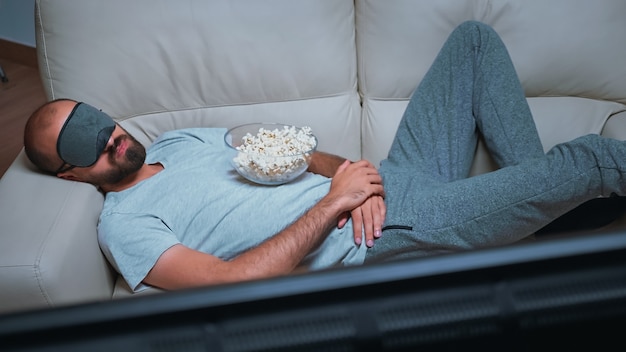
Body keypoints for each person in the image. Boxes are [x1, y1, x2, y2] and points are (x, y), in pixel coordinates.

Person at [23, 21, 626, 292]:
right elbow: (231, 281)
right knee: (591, 160)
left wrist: (343, 171)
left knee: (473, 40)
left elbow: (282, 154)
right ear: (70, 173)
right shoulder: (123, 225)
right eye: (83, 143)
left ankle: (539, 206)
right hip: (381, 232)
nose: (108, 137)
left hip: (385, 180)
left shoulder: (180, 143)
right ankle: (558, 196)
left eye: (97, 120)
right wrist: (338, 204)